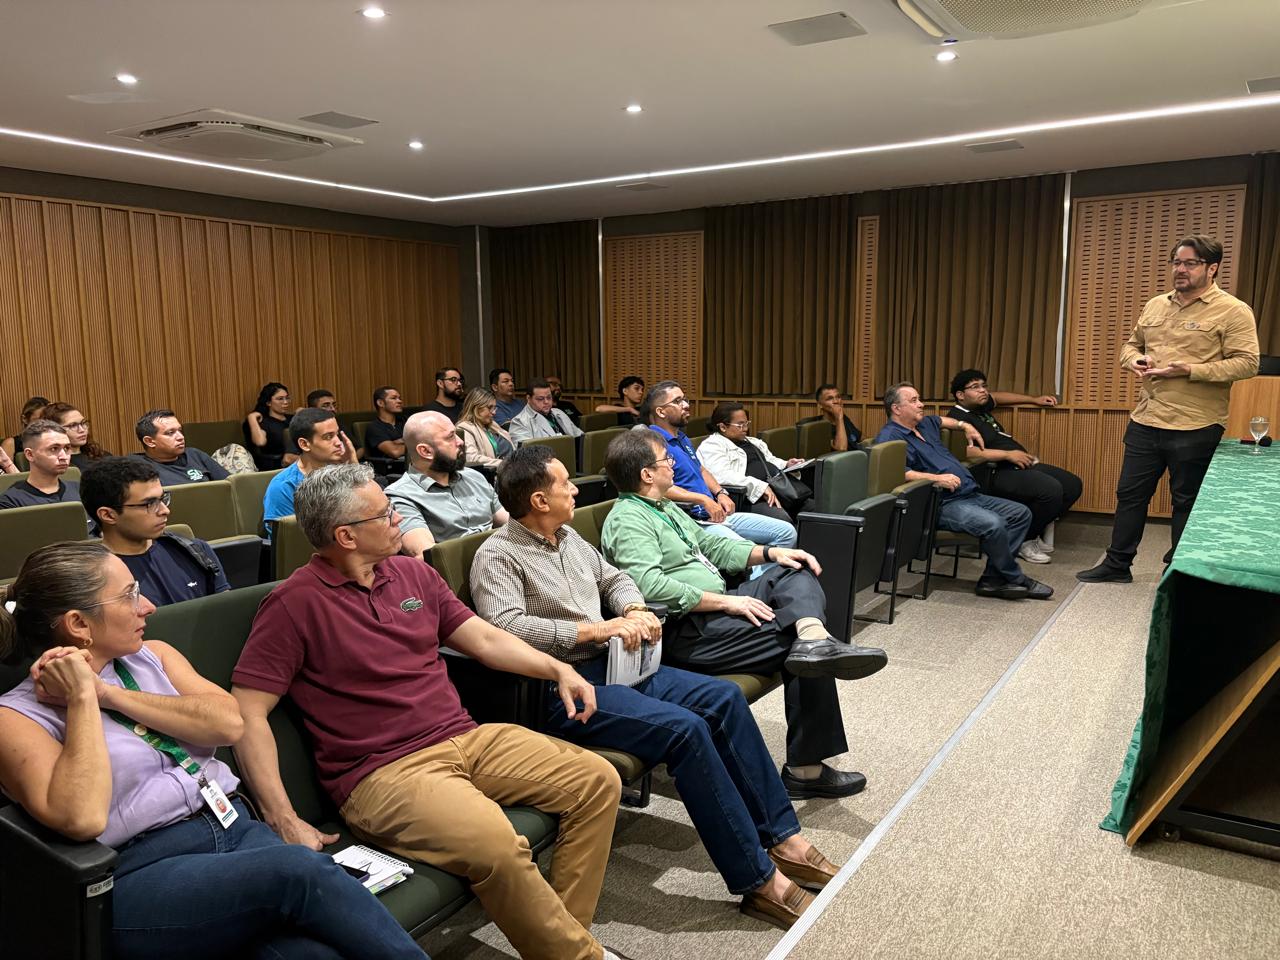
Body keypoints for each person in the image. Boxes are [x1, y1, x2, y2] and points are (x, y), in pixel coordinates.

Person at [230, 464, 632, 960]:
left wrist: (557, 668)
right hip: (383, 772)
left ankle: (564, 945)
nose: (398, 517)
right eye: (385, 514)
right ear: (346, 536)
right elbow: (248, 712)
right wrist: (282, 817)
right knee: (499, 846)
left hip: (465, 737)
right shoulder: (292, 604)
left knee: (597, 780)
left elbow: (484, 640)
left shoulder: (413, 573)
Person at [472, 445, 844, 929]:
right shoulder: (497, 554)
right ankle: (758, 882)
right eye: (565, 484)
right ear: (539, 500)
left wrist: (632, 608)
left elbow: (616, 579)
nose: (575, 490)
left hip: (615, 664)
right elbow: (506, 627)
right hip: (561, 687)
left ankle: (784, 839)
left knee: (724, 699)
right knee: (686, 730)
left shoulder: (567, 538)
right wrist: (596, 629)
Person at [0, 541, 427, 960]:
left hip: (233, 827)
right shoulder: (15, 717)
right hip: (141, 873)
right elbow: (82, 818)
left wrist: (110, 695)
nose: (148, 606)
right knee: (302, 873)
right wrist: (81, 700)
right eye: (129, 595)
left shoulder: (153, 657)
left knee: (310, 953)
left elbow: (229, 723)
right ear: (78, 624)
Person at [602, 429, 888, 800]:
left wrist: (770, 553)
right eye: (666, 460)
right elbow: (648, 587)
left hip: (715, 608)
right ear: (646, 474)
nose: (673, 464)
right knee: (797, 647)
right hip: (686, 630)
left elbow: (711, 545)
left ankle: (814, 636)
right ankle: (806, 770)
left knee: (794, 569)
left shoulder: (662, 507)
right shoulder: (628, 520)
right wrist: (725, 603)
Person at [1077, 235, 1260, 583]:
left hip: (1196, 423)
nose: (1181, 269)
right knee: (1129, 495)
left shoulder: (1233, 310)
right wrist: (1135, 360)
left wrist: (1190, 370)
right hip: (1146, 418)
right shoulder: (1156, 305)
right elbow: (1130, 346)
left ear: (1212, 268)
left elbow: (1248, 363)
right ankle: (1117, 564)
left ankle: (1177, 571)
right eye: (1177, 262)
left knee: (1185, 500)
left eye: (1190, 263)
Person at [876, 383, 1052, 601]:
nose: (921, 404)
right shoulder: (890, 437)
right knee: (994, 524)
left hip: (969, 494)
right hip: (941, 502)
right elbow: (897, 473)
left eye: (919, 399)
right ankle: (1016, 578)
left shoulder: (924, 424)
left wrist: (964, 425)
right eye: (914, 401)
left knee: (1020, 513)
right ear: (896, 409)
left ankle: (992, 579)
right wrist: (936, 478)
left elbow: (944, 420)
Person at [947, 370, 1081, 564]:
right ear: (960, 395)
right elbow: (966, 452)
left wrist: (1034, 399)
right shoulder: (957, 418)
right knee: (1051, 490)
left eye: (984, 386)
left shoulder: (980, 406)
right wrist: (1008, 455)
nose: (983, 391)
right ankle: (1023, 541)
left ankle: (1029, 530)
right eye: (975, 387)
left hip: (1016, 464)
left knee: (1072, 484)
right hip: (993, 471)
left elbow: (998, 397)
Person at [643, 380, 797, 549]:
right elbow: (656, 487)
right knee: (746, 552)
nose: (686, 405)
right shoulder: (651, 442)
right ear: (661, 411)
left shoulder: (681, 438)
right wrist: (702, 499)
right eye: (678, 401)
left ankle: (766, 567)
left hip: (715, 513)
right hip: (692, 520)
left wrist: (720, 492)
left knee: (787, 533)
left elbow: (700, 469)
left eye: (685, 399)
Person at [81, 457, 230, 606]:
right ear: (108, 515)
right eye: (149, 504)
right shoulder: (91, 579)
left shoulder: (196, 551)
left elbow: (224, 611)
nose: (165, 510)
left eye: (162, 498)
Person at [386, 411, 507, 556]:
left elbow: (513, 523)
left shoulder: (474, 477)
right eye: (450, 437)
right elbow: (428, 555)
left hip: (503, 557)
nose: (460, 442)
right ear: (425, 451)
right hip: (461, 568)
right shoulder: (400, 496)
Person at [698, 401, 809, 521]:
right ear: (723, 427)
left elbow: (769, 460)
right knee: (781, 518)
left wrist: (786, 464)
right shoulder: (712, 446)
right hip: (746, 498)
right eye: (740, 425)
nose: (746, 428)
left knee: (811, 508)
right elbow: (722, 475)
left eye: (746, 423)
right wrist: (759, 487)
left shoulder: (753, 441)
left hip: (775, 488)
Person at [262, 407, 357, 539]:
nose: (338, 443)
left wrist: (353, 467)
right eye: (328, 437)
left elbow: (370, 511)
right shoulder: (283, 487)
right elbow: (288, 541)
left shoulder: (343, 470)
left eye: (337, 435)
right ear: (305, 444)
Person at [133, 409, 229, 485]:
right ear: (150, 441)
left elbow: (231, 484)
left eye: (180, 430)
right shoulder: (138, 467)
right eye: (170, 433)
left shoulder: (195, 455)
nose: (181, 437)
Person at [0, 420, 81, 509]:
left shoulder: (81, 490)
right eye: (54, 449)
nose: (64, 457)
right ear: (30, 455)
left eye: (66, 448)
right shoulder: (10, 502)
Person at [509, 378, 585, 442]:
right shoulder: (519, 422)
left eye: (549, 397)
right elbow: (526, 453)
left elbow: (581, 437)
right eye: (540, 399)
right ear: (528, 398)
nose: (546, 402)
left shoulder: (559, 413)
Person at [457, 387, 516, 470]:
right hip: (497, 472)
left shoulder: (492, 424)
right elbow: (472, 458)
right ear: (476, 408)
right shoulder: (465, 428)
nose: (494, 412)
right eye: (490, 407)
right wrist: (505, 464)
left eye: (494, 407)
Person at [43, 401, 112, 470]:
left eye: (83, 423)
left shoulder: (103, 457)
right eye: (73, 425)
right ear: (55, 429)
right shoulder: (54, 464)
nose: (82, 430)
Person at [243, 382, 295, 471]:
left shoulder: (293, 419)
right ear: (268, 402)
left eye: (287, 398)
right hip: (276, 465)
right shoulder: (263, 422)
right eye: (280, 399)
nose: (285, 402)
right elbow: (260, 442)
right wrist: (252, 418)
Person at [798, 385, 862, 452]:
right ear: (820, 405)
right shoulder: (819, 427)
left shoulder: (844, 419)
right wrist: (839, 418)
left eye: (838, 397)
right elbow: (841, 449)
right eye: (830, 398)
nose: (836, 401)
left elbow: (858, 437)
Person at [365, 385, 407, 460]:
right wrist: (410, 442)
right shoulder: (374, 427)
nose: (399, 401)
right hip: (392, 466)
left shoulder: (406, 421)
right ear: (380, 403)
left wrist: (398, 442)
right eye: (394, 398)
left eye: (399, 398)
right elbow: (395, 452)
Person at [2, 395, 49, 462]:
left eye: (48, 420)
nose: (45, 424)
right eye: (39, 420)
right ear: (25, 419)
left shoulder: (55, 441)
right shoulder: (11, 444)